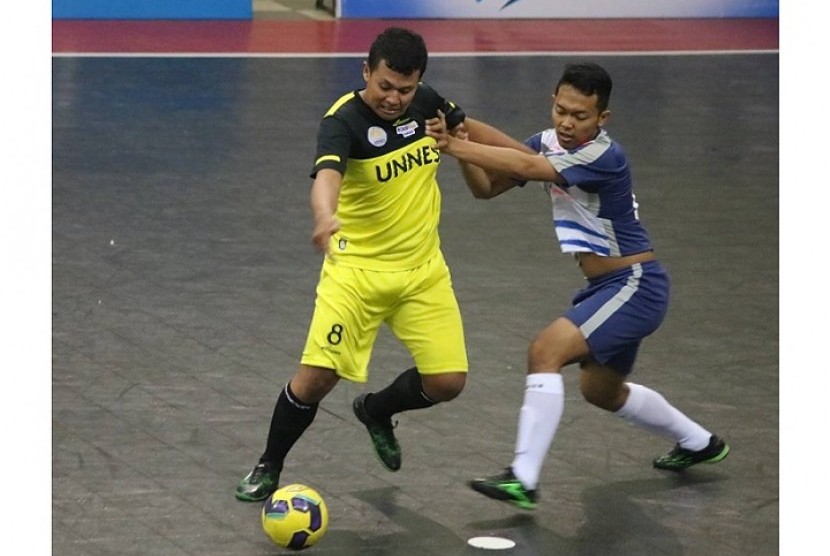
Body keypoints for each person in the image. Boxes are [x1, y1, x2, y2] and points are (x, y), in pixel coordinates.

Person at [235, 26, 527, 502]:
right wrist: (324, 215)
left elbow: (468, 130)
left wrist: (525, 158)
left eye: (404, 90)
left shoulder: (426, 102)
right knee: (316, 380)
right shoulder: (343, 121)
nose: (394, 98)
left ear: (419, 83)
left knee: (448, 382)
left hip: (422, 271)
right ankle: (269, 464)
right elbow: (327, 174)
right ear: (366, 71)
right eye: (385, 86)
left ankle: (374, 410)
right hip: (357, 274)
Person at [425, 62, 729, 510]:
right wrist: (461, 127)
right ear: (553, 100)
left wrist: (453, 146)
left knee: (544, 351)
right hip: (607, 289)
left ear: (602, 119)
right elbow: (489, 187)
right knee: (600, 392)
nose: (567, 123)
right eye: (561, 111)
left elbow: (526, 164)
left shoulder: (604, 156)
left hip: (635, 285)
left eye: (581, 116)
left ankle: (523, 479)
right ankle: (700, 441)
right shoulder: (550, 144)